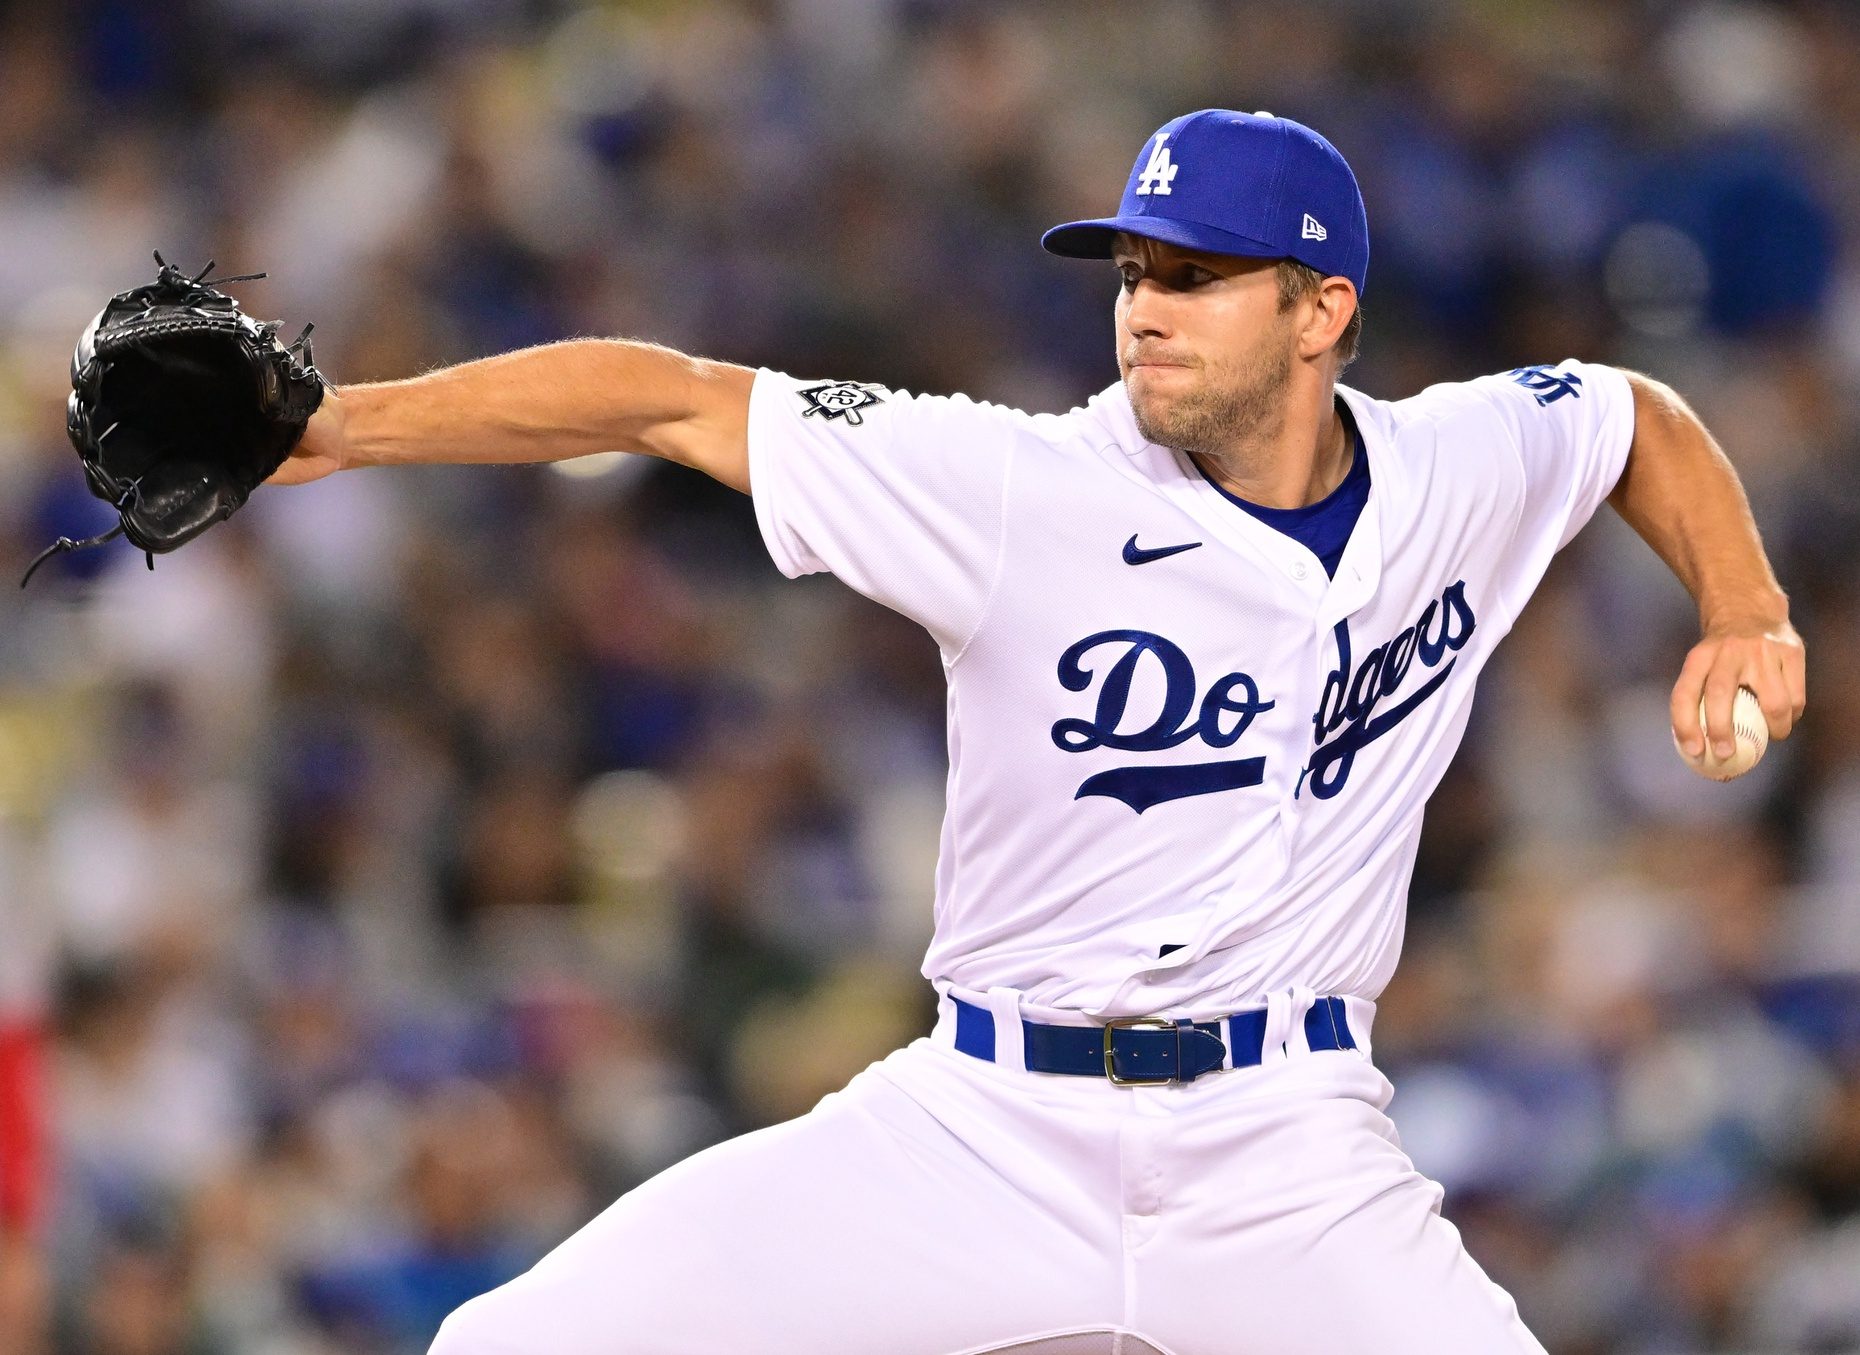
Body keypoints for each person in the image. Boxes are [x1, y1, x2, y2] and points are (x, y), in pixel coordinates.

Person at [272, 110, 1805, 1354]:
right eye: (1133, 268)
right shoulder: (1018, 487)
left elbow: (1628, 417)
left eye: (1198, 275)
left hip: (1291, 1148)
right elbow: (670, 401)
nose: (1144, 308)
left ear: (1321, 309)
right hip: (988, 1127)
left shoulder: (1457, 471)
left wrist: (1746, 606)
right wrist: (347, 426)